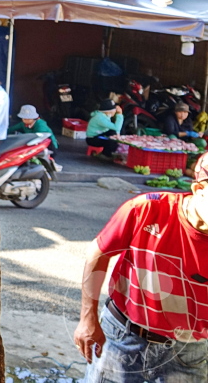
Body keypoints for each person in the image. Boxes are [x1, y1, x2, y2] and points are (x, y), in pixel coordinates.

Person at [73, 152, 208, 380]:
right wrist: (87, 318)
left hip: (192, 349)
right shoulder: (146, 209)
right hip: (124, 335)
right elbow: (99, 252)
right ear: (198, 190)